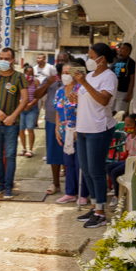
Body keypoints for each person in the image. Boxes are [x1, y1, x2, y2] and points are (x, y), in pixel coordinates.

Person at [73, 43, 119, 229]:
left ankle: (101, 213)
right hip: (84, 127)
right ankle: (94, 206)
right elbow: (88, 99)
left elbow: (103, 100)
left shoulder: (109, 77)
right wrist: (77, 97)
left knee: (96, 171)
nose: (88, 59)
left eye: (92, 56)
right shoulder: (90, 76)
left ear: (102, 59)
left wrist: (84, 84)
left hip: (99, 129)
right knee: (86, 170)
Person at [0, 47, 28, 200]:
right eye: (1, 58)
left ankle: (9, 186)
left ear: (13, 61)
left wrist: (13, 116)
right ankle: (0, 184)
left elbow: (25, 99)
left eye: (7, 59)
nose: (3, 61)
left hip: (12, 124)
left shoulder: (19, 77)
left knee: (10, 156)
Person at [54, 63, 89, 206]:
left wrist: (79, 129)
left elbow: (86, 110)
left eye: (68, 72)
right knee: (68, 163)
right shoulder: (59, 91)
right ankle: (70, 192)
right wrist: (57, 129)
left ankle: (83, 194)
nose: (65, 75)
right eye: (63, 72)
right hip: (64, 131)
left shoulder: (81, 90)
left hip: (78, 130)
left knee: (80, 163)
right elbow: (57, 111)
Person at [41, 51, 68, 195]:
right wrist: (47, 84)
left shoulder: (72, 79)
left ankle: (70, 185)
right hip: (51, 121)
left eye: (65, 60)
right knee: (53, 154)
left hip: (69, 123)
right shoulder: (51, 79)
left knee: (69, 153)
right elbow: (37, 95)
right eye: (59, 60)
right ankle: (56, 183)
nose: (61, 63)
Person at [106, 114, 136, 201]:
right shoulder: (129, 137)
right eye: (125, 124)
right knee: (108, 167)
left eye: (129, 125)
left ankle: (117, 196)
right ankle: (117, 187)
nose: (126, 127)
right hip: (129, 161)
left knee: (114, 172)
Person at [18, 65, 41, 158]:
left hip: (32, 108)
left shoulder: (36, 82)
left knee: (30, 129)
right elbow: (16, 95)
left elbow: (38, 95)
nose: (30, 75)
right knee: (21, 129)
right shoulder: (20, 82)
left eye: (32, 73)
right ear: (24, 74)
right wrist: (22, 104)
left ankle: (30, 149)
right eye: (28, 73)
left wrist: (30, 105)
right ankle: (24, 148)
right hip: (21, 109)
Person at [112, 43, 136, 113]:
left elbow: (132, 79)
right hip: (113, 91)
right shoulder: (116, 60)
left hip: (123, 92)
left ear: (128, 51)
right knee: (110, 112)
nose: (120, 50)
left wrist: (128, 94)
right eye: (120, 48)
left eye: (122, 49)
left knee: (119, 113)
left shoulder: (131, 63)